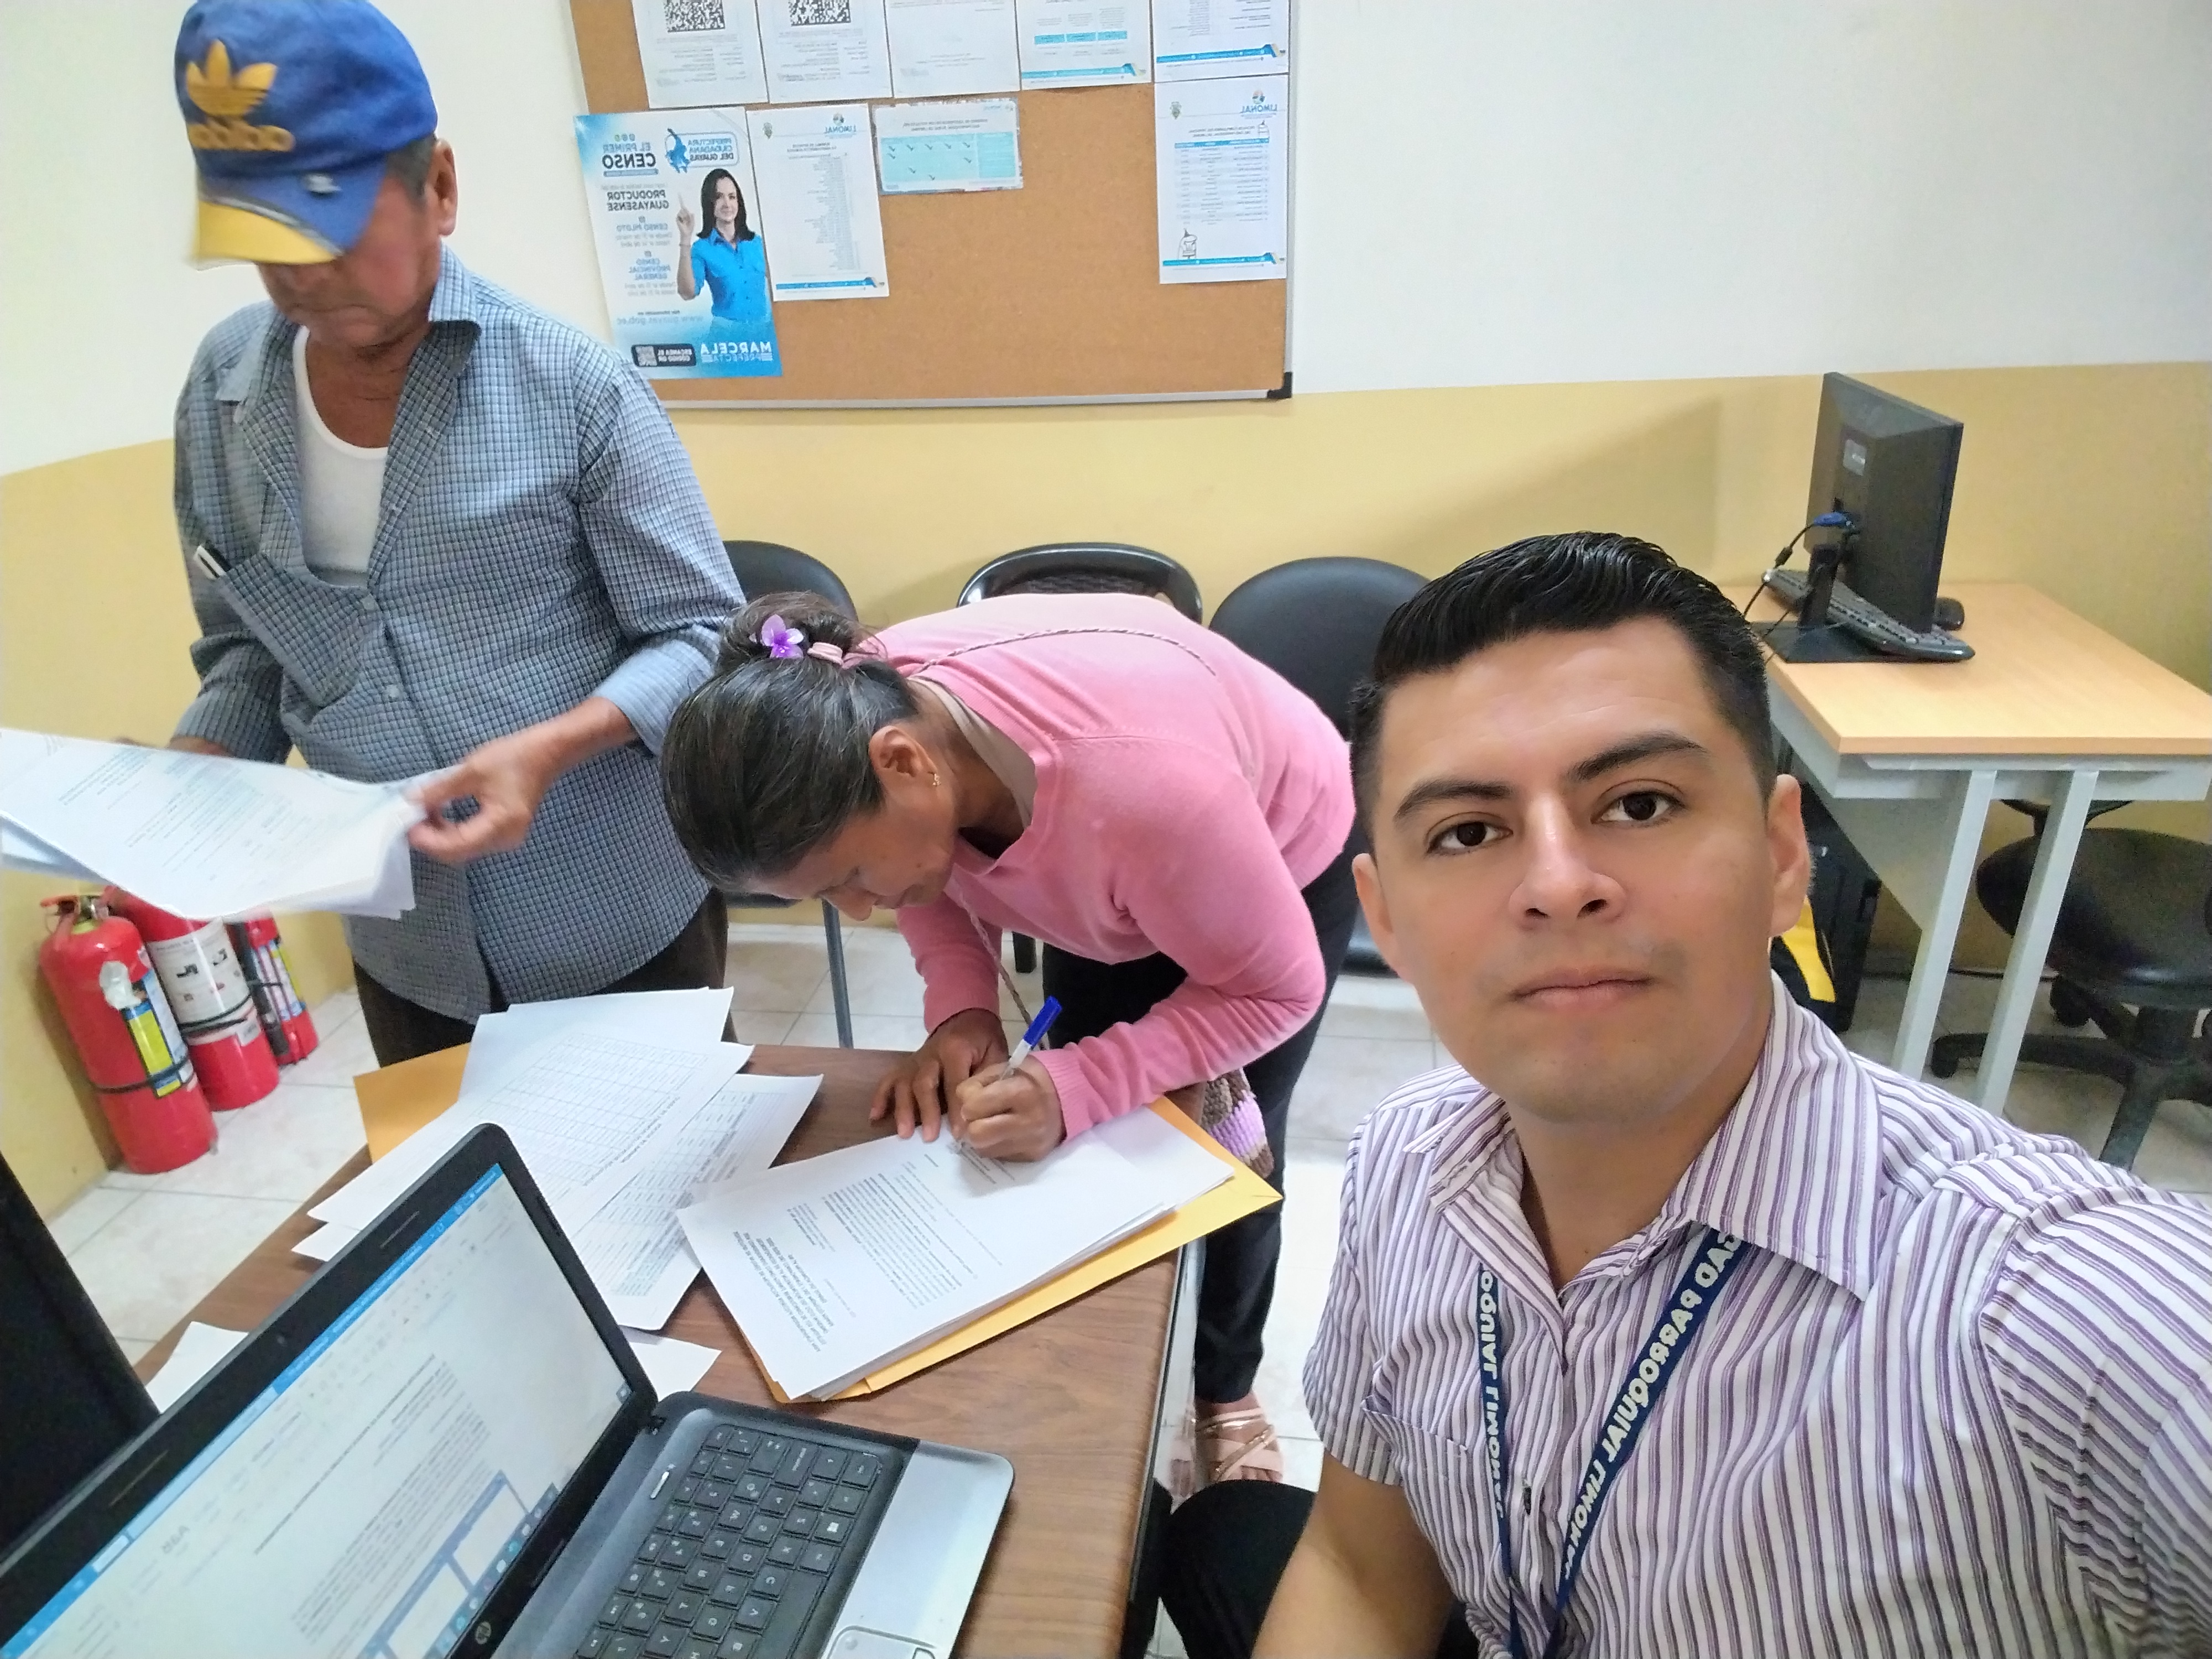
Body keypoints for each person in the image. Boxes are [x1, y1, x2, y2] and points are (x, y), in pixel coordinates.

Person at [1160, 533, 2212, 1657]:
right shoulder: (1406, 1161)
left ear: (1780, 854)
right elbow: (1362, 1570)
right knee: (1216, 1535)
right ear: (1390, 921)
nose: (1558, 883)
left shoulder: (2056, 1321)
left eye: (1640, 804)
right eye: (1468, 832)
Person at [659, 590, 1360, 1485]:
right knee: (1096, 1150)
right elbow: (936, 872)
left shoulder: (1144, 795)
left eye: (850, 876)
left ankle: (1226, 1389)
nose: (861, 911)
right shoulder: (855, 711)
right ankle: (1114, 1384)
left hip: (1267, 847)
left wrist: (1081, 1084)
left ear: (905, 762)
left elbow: (1274, 988)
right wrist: (962, 1008)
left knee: (1226, 1146)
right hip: (1109, 853)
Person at [165, 0, 743, 1066]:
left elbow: (705, 639)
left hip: (611, 914)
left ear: (438, 187)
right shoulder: (224, 393)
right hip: (407, 948)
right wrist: (192, 774)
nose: (299, 275)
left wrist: (553, 749)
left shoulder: (574, 389)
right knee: (454, 1172)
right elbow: (251, 648)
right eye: (263, 240)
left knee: (667, 1160)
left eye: (330, 230)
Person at [675, 168, 770, 327]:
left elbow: (778, 283)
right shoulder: (702, 249)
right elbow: (688, 293)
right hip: (726, 335)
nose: (727, 204)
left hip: (762, 333)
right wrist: (685, 238)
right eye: (719, 197)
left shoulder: (757, 243)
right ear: (709, 203)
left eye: (732, 197)